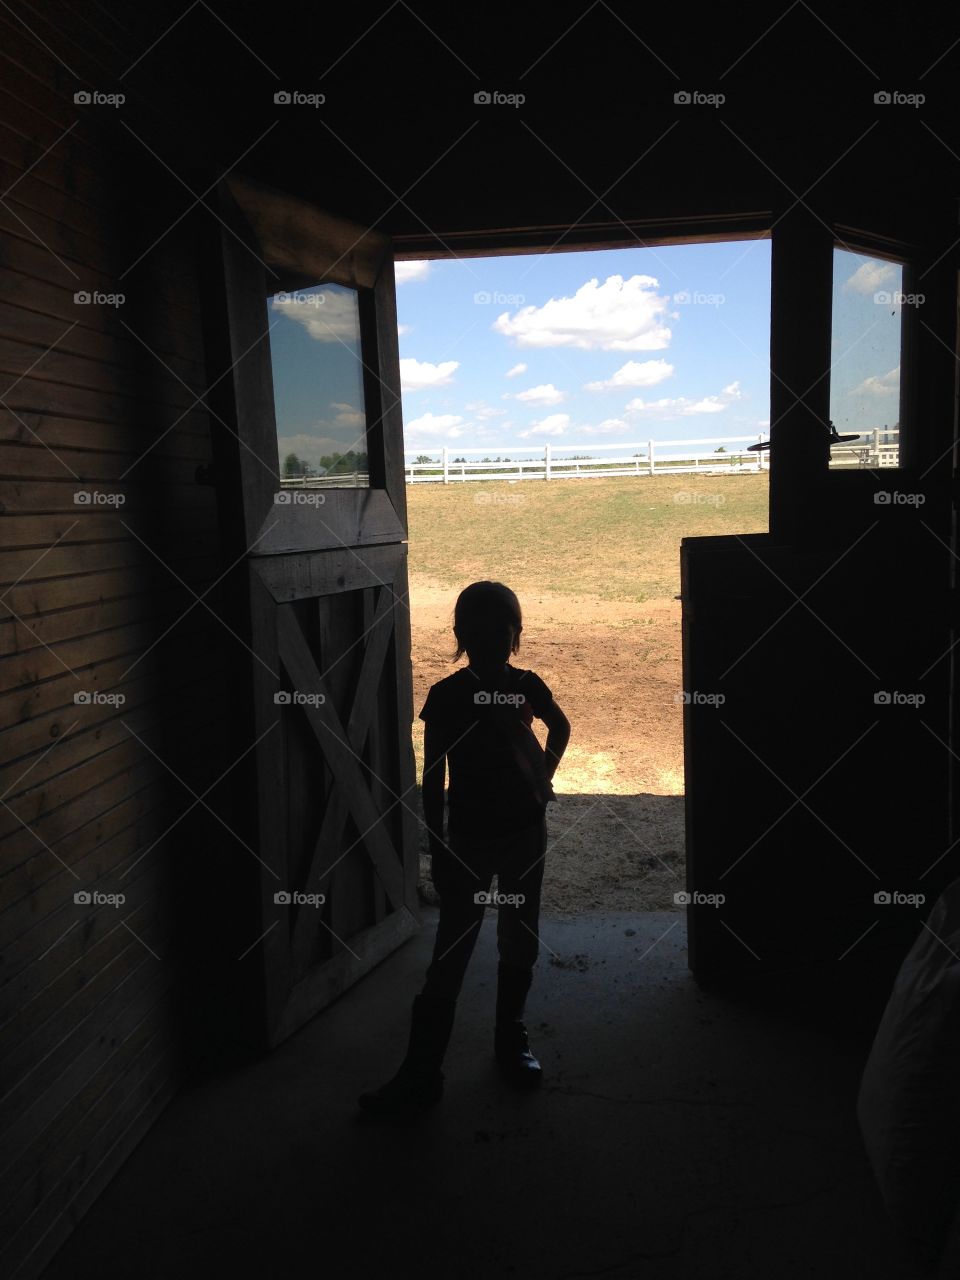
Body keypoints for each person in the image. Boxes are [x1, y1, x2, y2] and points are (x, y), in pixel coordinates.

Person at [358, 580, 571, 1115]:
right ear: (514, 634)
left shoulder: (448, 695)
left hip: (481, 839)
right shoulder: (519, 685)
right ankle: (508, 1042)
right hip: (503, 836)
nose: (488, 642)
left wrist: (439, 841)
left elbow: (433, 779)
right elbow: (558, 729)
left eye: (490, 633)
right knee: (502, 939)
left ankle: (426, 1070)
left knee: (470, 946)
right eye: (483, 633)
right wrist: (539, 781)